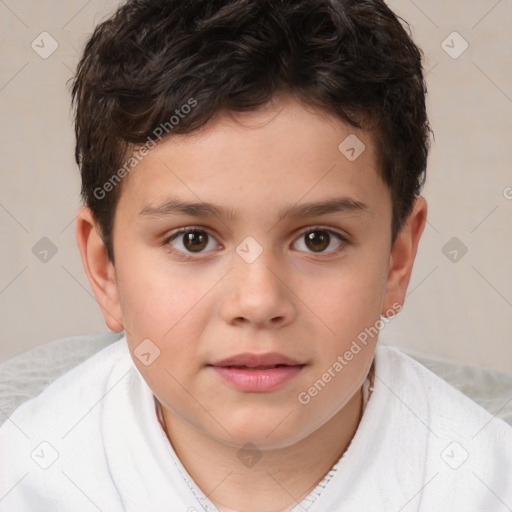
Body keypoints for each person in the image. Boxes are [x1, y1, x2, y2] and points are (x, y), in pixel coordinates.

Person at [0, 0, 511, 510]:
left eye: (318, 239)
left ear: (396, 262)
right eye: (193, 239)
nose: (259, 301)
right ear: (105, 268)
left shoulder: (482, 483)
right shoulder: (31, 479)